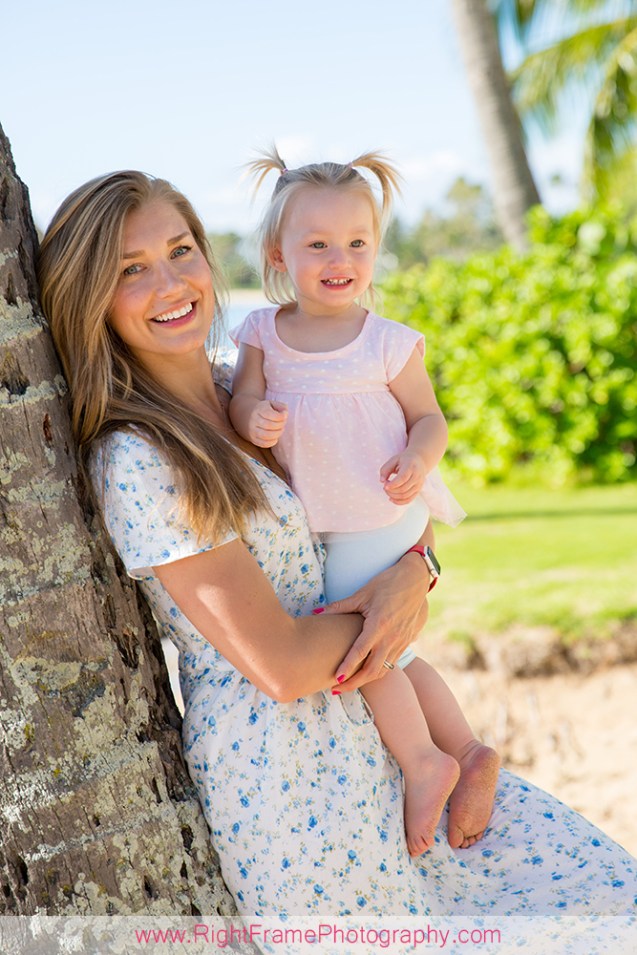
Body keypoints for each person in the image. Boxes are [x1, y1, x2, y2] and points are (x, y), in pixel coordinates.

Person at [37, 170, 636, 929]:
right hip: (293, 779)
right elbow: (281, 665)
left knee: (594, 895)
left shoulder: (253, 388)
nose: (171, 281)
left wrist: (416, 569)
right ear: (89, 297)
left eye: (181, 249)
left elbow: (390, 497)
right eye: (131, 268)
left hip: (378, 730)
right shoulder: (141, 456)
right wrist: (390, 599)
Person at [229, 148, 499, 857]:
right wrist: (249, 417)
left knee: (365, 647)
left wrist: (418, 456)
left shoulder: (385, 341)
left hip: (378, 512)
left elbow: (430, 418)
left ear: (376, 250)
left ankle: (423, 762)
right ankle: (467, 748)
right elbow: (244, 398)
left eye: (356, 242)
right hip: (319, 522)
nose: (337, 257)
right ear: (277, 252)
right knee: (398, 653)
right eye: (315, 243)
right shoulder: (261, 332)